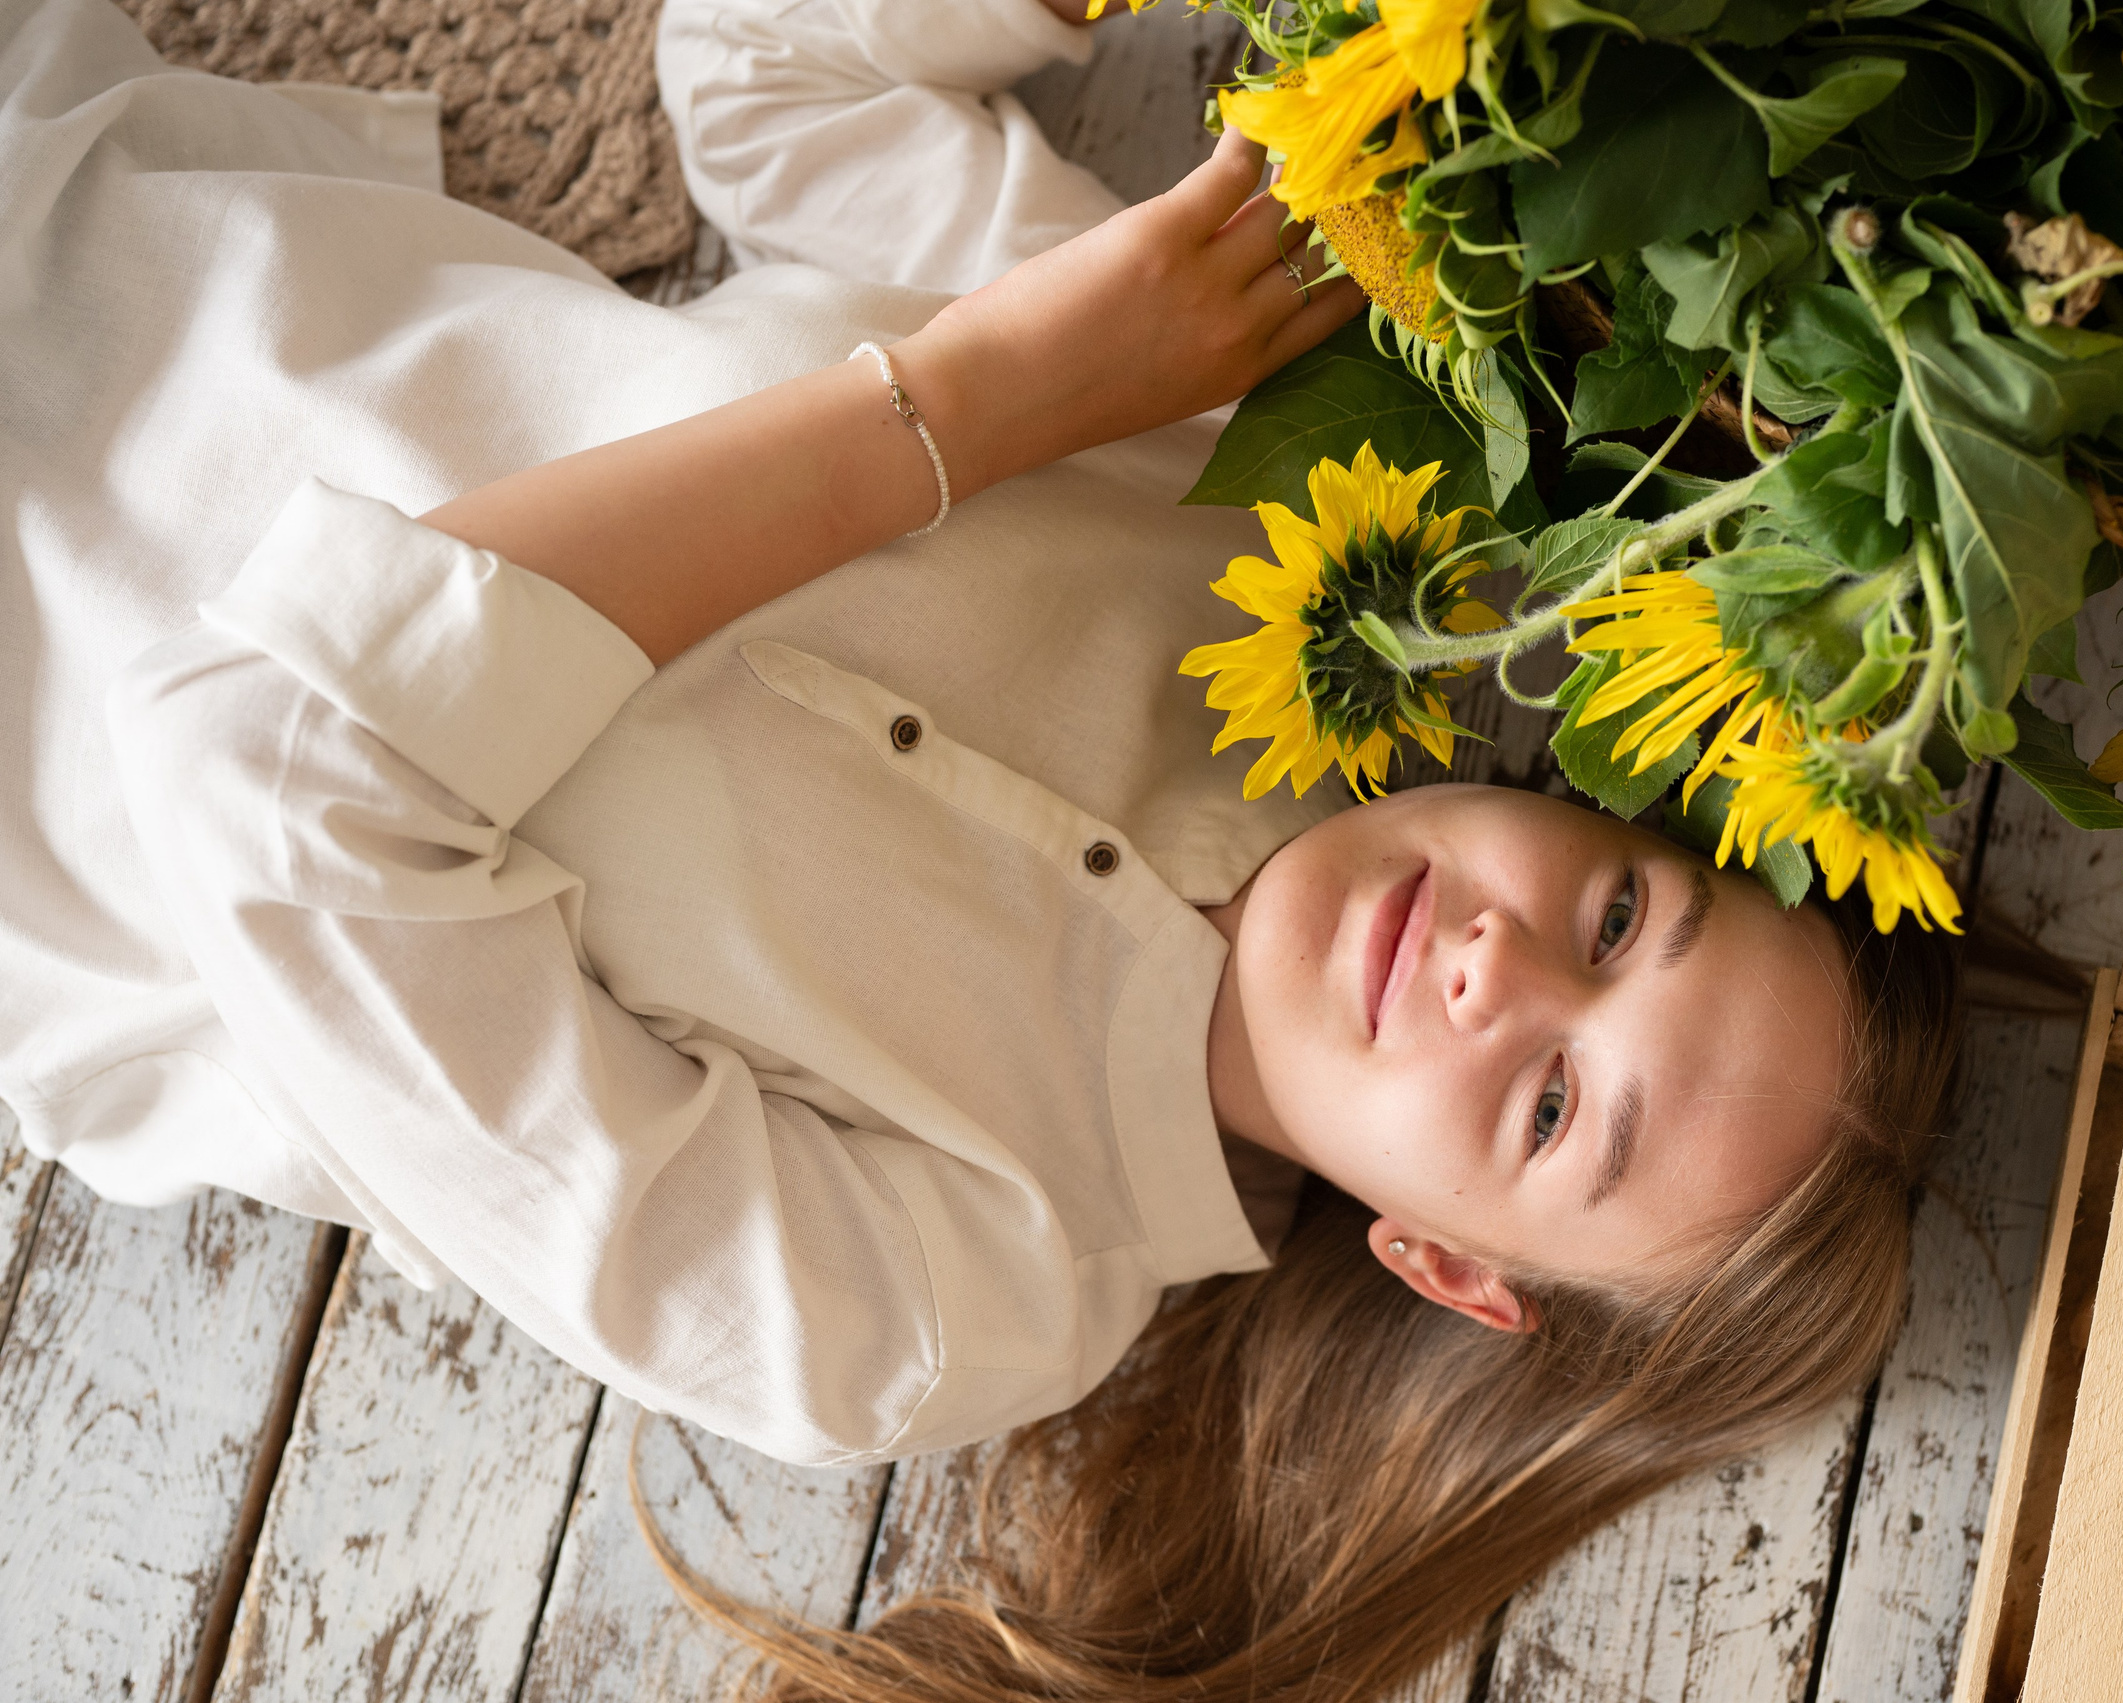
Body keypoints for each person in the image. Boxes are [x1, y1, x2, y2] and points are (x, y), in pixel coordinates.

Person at [0, 0, 1967, 1689]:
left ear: (1449, 1269)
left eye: (1550, 1110)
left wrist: (973, 402)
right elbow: (760, 80)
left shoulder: (920, 1309)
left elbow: (255, 776)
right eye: (1617, 918)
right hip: (96, 222)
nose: (1494, 968)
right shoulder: (1279, 523)